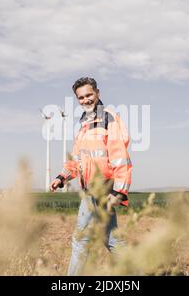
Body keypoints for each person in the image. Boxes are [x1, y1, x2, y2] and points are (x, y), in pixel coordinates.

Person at [50, 77, 133, 276]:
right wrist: (62, 177)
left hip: (104, 189)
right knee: (112, 239)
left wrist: (119, 192)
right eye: (81, 97)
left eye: (89, 95)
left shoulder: (108, 118)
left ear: (98, 93)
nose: (86, 100)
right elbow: (78, 159)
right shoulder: (84, 125)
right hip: (90, 190)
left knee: (81, 239)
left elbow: (120, 158)